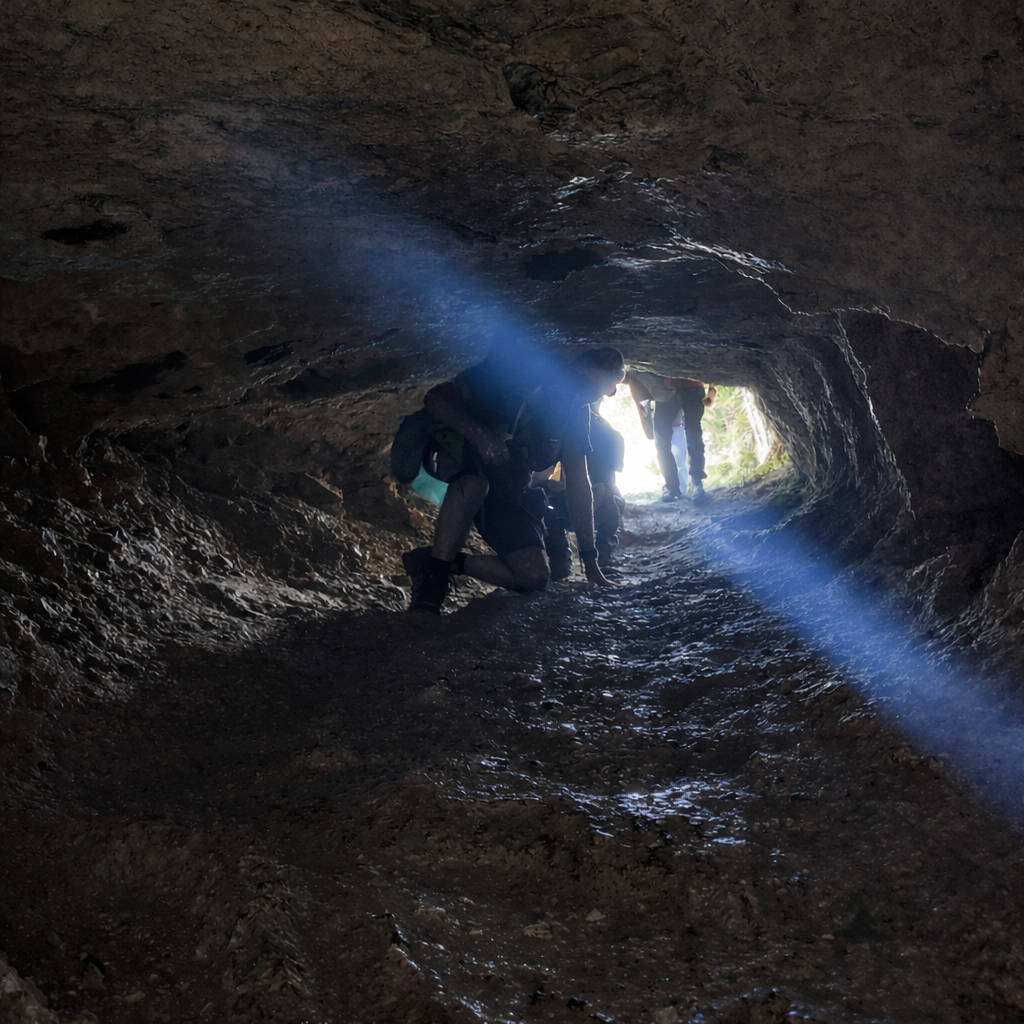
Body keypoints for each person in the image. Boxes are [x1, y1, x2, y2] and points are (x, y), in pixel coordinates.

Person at [400, 345, 626, 613]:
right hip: (456, 451)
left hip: (508, 483)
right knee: (474, 483)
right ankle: (432, 587)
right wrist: (481, 436)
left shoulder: (576, 414)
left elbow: (579, 486)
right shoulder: (518, 375)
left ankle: (434, 561)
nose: (586, 393)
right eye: (587, 382)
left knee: (533, 577)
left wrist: (590, 561)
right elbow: (435, 399)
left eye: (596, 390)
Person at [539, 406, 625, 579]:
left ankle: (604, 554)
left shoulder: (608, 437)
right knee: (544, 505)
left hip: (596, 495)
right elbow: (540, 483)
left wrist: (586, 511)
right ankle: (559, 556)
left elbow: (607, 484)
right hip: (559, 498)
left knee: (612, 500)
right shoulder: (553, 433)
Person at [625, 371, 714, 503]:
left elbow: (707, 361)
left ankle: (695, 483)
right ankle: (672, 486)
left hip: (690, 387)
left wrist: (712, 389)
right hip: (667, 389)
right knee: (661, 436)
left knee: (693, 432)